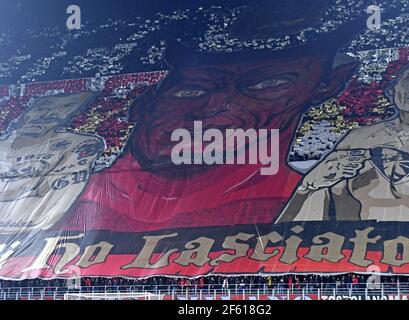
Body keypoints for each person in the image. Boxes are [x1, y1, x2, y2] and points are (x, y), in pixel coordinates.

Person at [61, 19, 359, 232]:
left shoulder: (316, 200)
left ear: (325, 87)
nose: (215, 107)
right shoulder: (63, 199)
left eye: (267, 84)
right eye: (191, 91)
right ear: (143, 103)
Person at [277, 56, 409, 224]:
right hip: (366, 248)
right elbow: (290, 232)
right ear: (392, 91)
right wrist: (309, 187)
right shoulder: (358, 138)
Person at [0, 92, 105, 233]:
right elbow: (42, 188)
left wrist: (14, 191)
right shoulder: (3, 147)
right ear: (27, 112)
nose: (48, 114)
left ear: (75, 112)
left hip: (37, 231)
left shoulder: (80, 143)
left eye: (66, 107)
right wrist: (30, 188)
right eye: (43, 108)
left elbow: (60, 195)